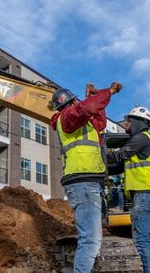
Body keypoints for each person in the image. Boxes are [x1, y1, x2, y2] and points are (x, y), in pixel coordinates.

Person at [50, 82, 122, 273]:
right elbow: (87, 107)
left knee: (92, 238)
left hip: (90, 182)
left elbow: (100, 121)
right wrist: (109, 92)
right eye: (76, 101)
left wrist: (94, 96)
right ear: (69, 103)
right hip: (82, 182)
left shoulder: (82, 122)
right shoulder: (66, 117)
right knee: (90, 239)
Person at [107, 106, 150, 272]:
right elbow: (120, 166)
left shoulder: (140, 139)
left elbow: (119, 155)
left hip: (144, 196)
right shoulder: (146, 142)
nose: (125, 123)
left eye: (128, 120)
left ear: (137, 121)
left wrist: (97, 155)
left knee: (141, 239)